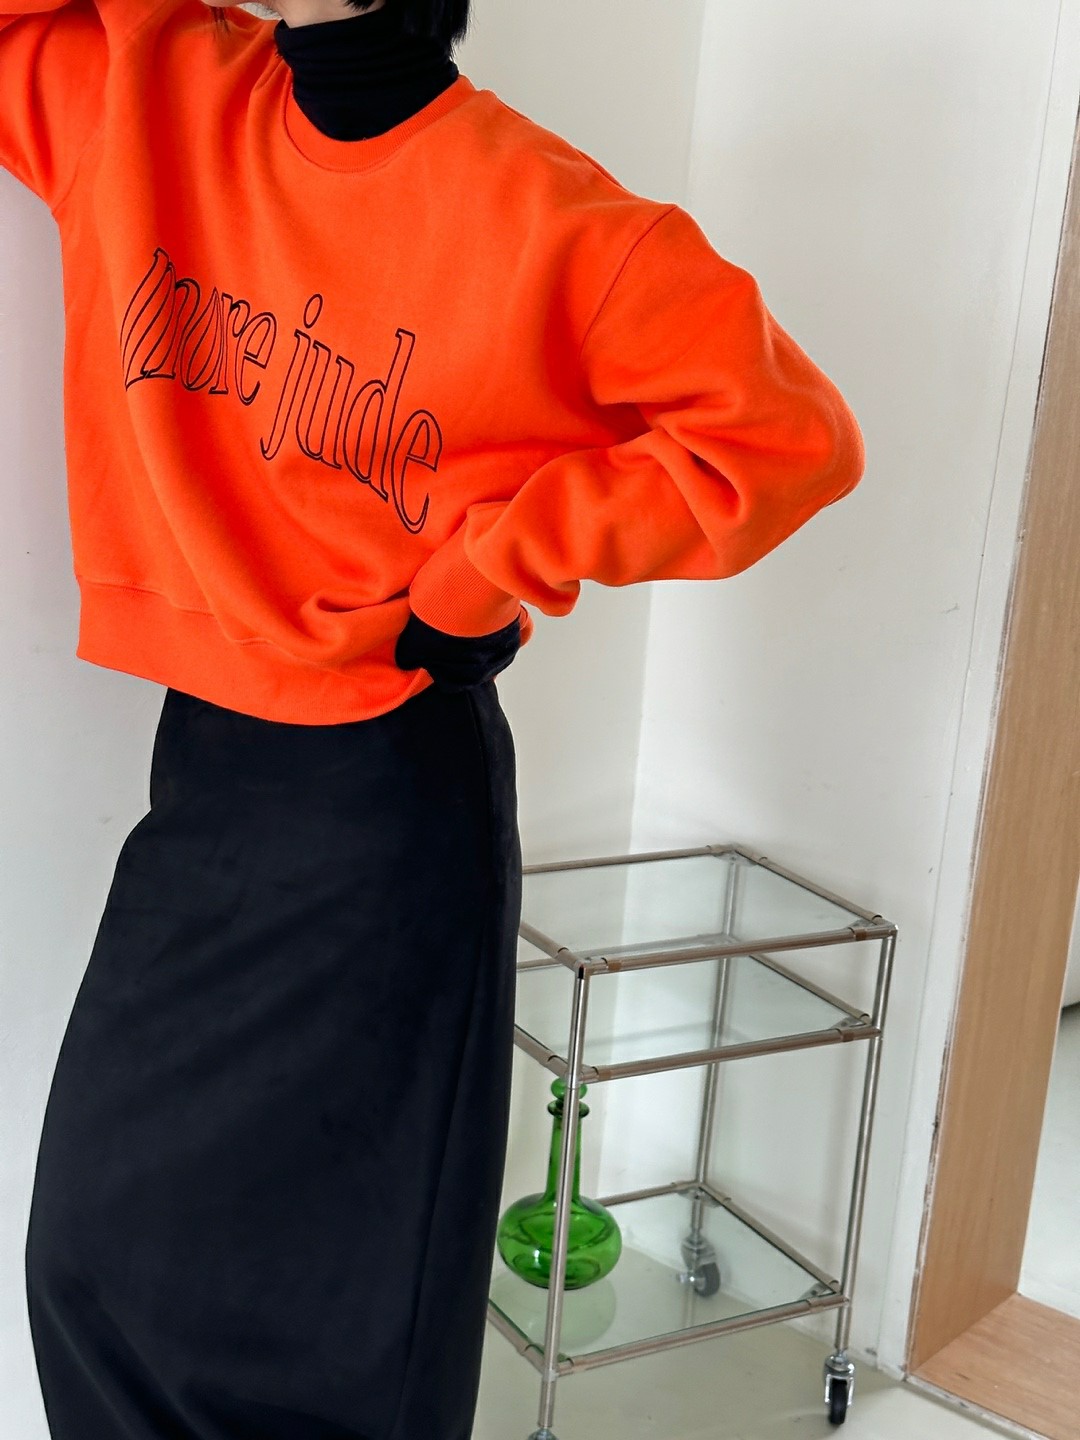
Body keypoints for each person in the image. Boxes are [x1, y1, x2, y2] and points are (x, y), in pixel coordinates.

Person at [1, 0, 866, 1435]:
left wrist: (490, 569)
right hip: (207, 773)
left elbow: (789, 439)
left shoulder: (544, 213)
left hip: (388, 799)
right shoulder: (145, 85)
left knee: (356, 1311)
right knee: (90, 1255)